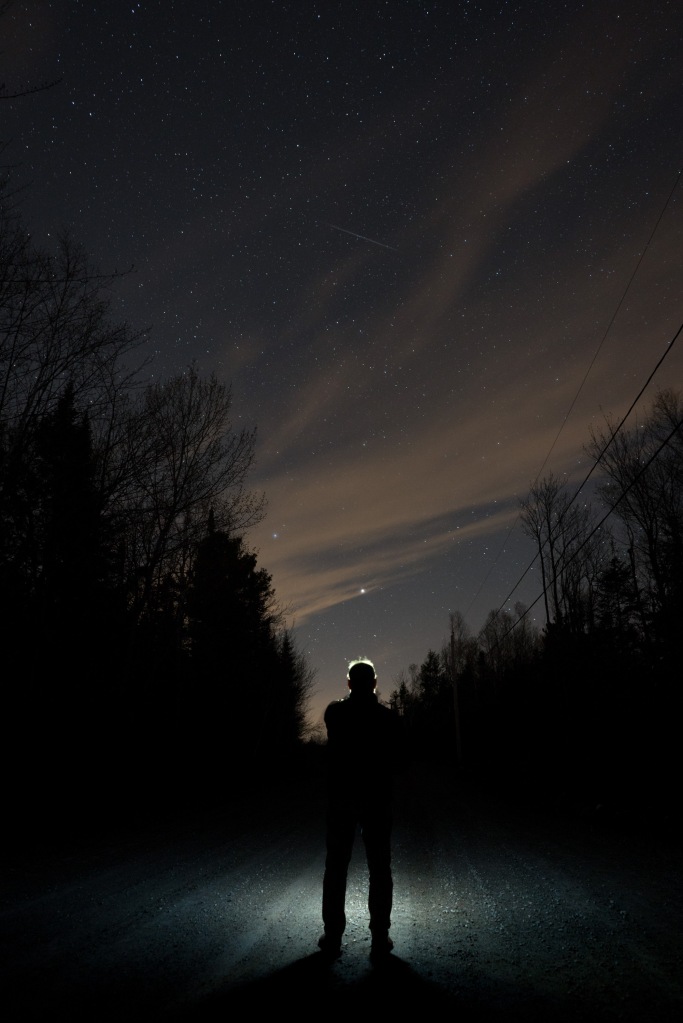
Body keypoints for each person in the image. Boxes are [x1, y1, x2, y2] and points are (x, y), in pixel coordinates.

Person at [318, 657, 403, 959]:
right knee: (379, 868)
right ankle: (380, 937)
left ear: (350, 683)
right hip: (377, 799)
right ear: (375, 684)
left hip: (342, 799)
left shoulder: (335, 713)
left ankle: (332, 938)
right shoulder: (387, 718)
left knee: (336, 867)